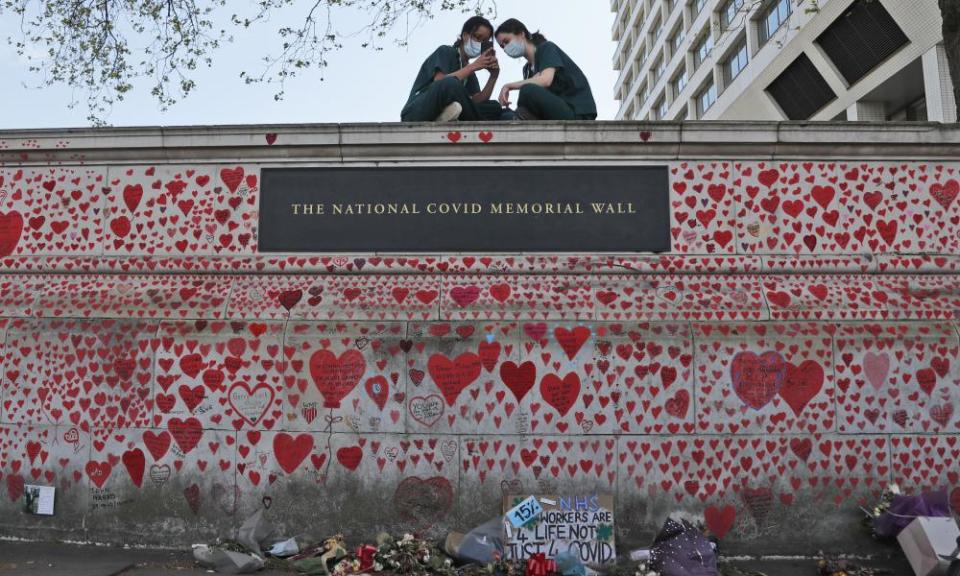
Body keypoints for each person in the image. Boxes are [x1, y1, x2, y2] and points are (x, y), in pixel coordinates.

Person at [401, 16, 506, 122]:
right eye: (477, 38)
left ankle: (447, 115)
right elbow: (441, 82)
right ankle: (462, 117)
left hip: (452, 108)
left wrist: (493, 76)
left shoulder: (469, 70)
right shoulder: (446, 51)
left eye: (484, 41)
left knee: (494, 107)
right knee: (450, 83)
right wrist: (473, 67)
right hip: (417, 111)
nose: (480, 44)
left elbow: (477, 100)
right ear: (465, 35)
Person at [494, 19, 597, 121]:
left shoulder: (546, 48)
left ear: (521, 34)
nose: (505, 48)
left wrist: (509, 86)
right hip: (552, 113)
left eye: (506, 41)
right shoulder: (527, 69)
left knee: (527, 90)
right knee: (505, 115)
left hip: (576, 112)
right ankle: (520, 118)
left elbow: (546, 80)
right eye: (502, 46)